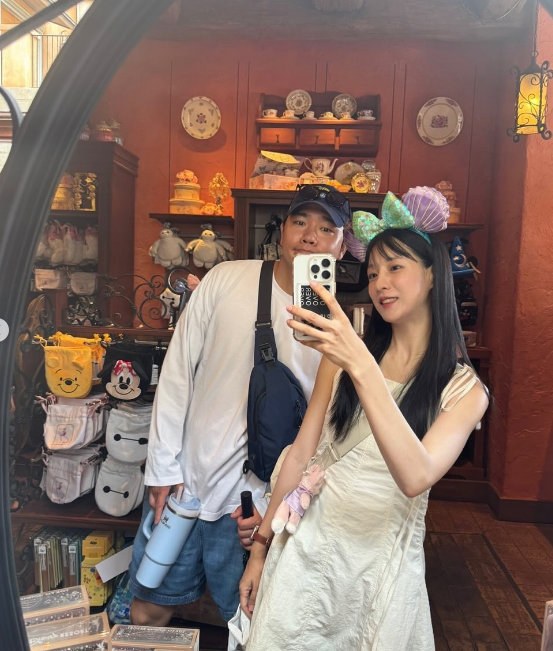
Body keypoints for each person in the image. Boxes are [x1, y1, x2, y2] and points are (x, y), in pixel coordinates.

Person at [240, 187, 489, 650]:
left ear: (432, 276)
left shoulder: (464, 391)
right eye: (373, 272)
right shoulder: (343, 356)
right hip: (304, 552)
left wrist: (359, 362)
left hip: (379, 572)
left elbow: (415, 476)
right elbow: (301, 454)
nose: (380, 284)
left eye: (395, 267)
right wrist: (260, 548)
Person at [128, 184, 350, 626]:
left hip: (254, 507)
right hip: (187, 486)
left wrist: (276, 511)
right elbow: (177, 370)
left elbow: (323, 433)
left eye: (327, 229)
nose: (310, 236)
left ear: (341, 249)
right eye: (300, 222)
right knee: (148, 609)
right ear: (282, 231)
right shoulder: (225, 278)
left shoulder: (339, 329)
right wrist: (163, 468)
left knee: (251, 625)